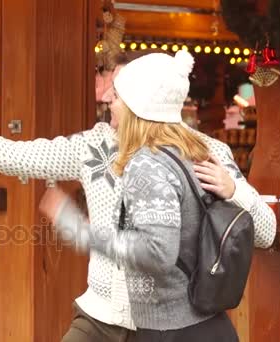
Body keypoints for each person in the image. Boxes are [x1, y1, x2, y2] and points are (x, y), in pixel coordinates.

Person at [0, 50, 275, 341]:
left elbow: (266, 232)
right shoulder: (96, 147)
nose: (105, 97)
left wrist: (235, 190)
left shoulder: (209, 153)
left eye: (116, 91)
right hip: (101, 319)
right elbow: (17, 155)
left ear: (140, 99)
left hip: (177, 325)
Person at [41, 51, 240, 341]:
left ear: (138, 105)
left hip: (171, 330)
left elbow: (158, 252)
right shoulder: (192, 153)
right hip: (205, 325)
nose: (109, 100)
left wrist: (80, 230)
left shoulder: (148, 164)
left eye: (118, 96)